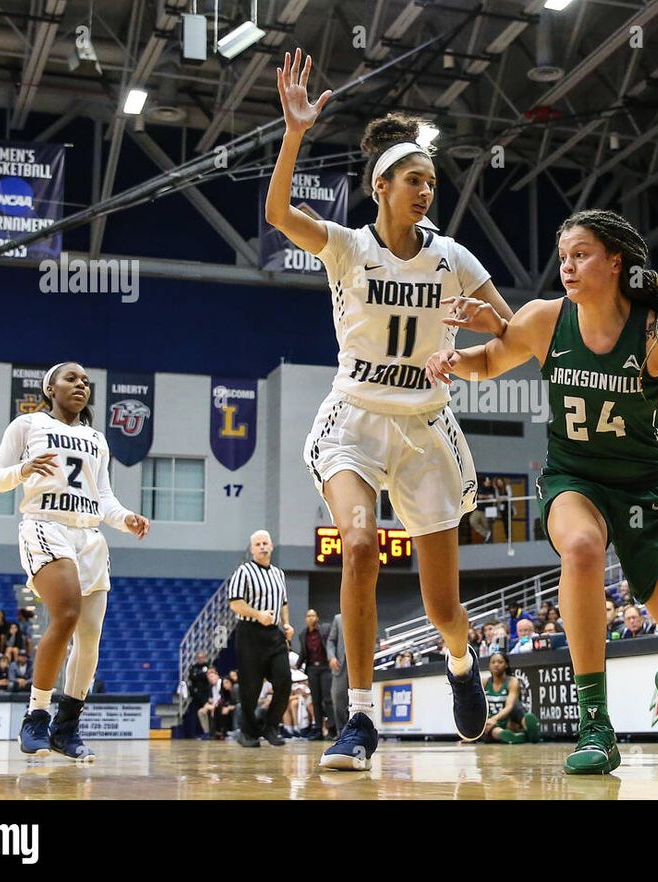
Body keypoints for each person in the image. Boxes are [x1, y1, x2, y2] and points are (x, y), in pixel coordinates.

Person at [426, 208, 658, 773]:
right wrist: (452, 359)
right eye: (563, 257)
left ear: (615, 262)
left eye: (580, 254)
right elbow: (488, 359)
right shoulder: (543, 320)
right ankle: (595, 725)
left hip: (648, 492)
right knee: (581, 547)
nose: (568, 266)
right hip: (573, 480)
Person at [266, 49, 511, 772]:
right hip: (355, 420)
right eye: (414, 179)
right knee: (362, 544)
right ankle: (360, 721)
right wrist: (294, 132)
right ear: (381, 186)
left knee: (442, 608)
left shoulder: (455, 258)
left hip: (425, 427)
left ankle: (462, 666)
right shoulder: (345, 246)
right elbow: (278, 212)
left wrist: (483, 333)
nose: (426, 190)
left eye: (432, 181)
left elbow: (507, 327)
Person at [0, 362, 151, 761]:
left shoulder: (97, 439)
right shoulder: (26, 426)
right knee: (66, 614)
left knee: (90, 635)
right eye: (71, 379)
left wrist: (126, 519)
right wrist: (23, 469)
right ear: (50, 388)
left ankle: (66, 727)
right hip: (45, 525)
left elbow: (104, 498)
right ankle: (36, 716)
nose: (80, 385)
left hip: (90, 535)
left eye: (85, 381)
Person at [226, 530, 293, 748]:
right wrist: (258, 614)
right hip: (249, 632)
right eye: (258, 544)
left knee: (284, 681)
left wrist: (286, 624)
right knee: (250, 688)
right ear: (252, 549)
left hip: (274, 634)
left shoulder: (278, 574)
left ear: (272, 546)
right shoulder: (244, 571)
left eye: (266, 543)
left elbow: (283, 602)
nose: (262, 547)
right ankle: (248, 732)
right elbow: (235, 603)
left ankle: (271, 726)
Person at [482, 652, 541, 744]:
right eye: (493, 662)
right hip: (492, 722)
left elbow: (509, 706)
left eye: (500, 662)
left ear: (506, 665)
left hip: (508, 718)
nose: (496, 664)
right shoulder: (484, 682)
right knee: (493, 731)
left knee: (517, 708)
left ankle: (528, 728)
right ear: (489, 665)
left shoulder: (512, 681)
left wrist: (495, 719)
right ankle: (517, 737)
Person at [295, 608, 334, 738]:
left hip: (325, 667)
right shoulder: (302, 634)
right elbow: (303, 653)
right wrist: (296, 666)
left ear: (317, 617)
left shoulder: (324, 630)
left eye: (313, 615)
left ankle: (332, 728)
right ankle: (318, 729)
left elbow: (331, 645)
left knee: (327, 699)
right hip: (312, 669)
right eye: (308, 616)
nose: (310, 618)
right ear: (306, 619)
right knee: (315, 700)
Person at [326, 612, 349, 736]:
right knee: (337, 697)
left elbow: (374, 638)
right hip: (340, 664)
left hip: (358, 664)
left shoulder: (366, 613)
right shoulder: (338, 618)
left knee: (358, 698)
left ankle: (356, 731)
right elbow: (331, 641)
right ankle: (341, 732)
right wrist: (332, 657)